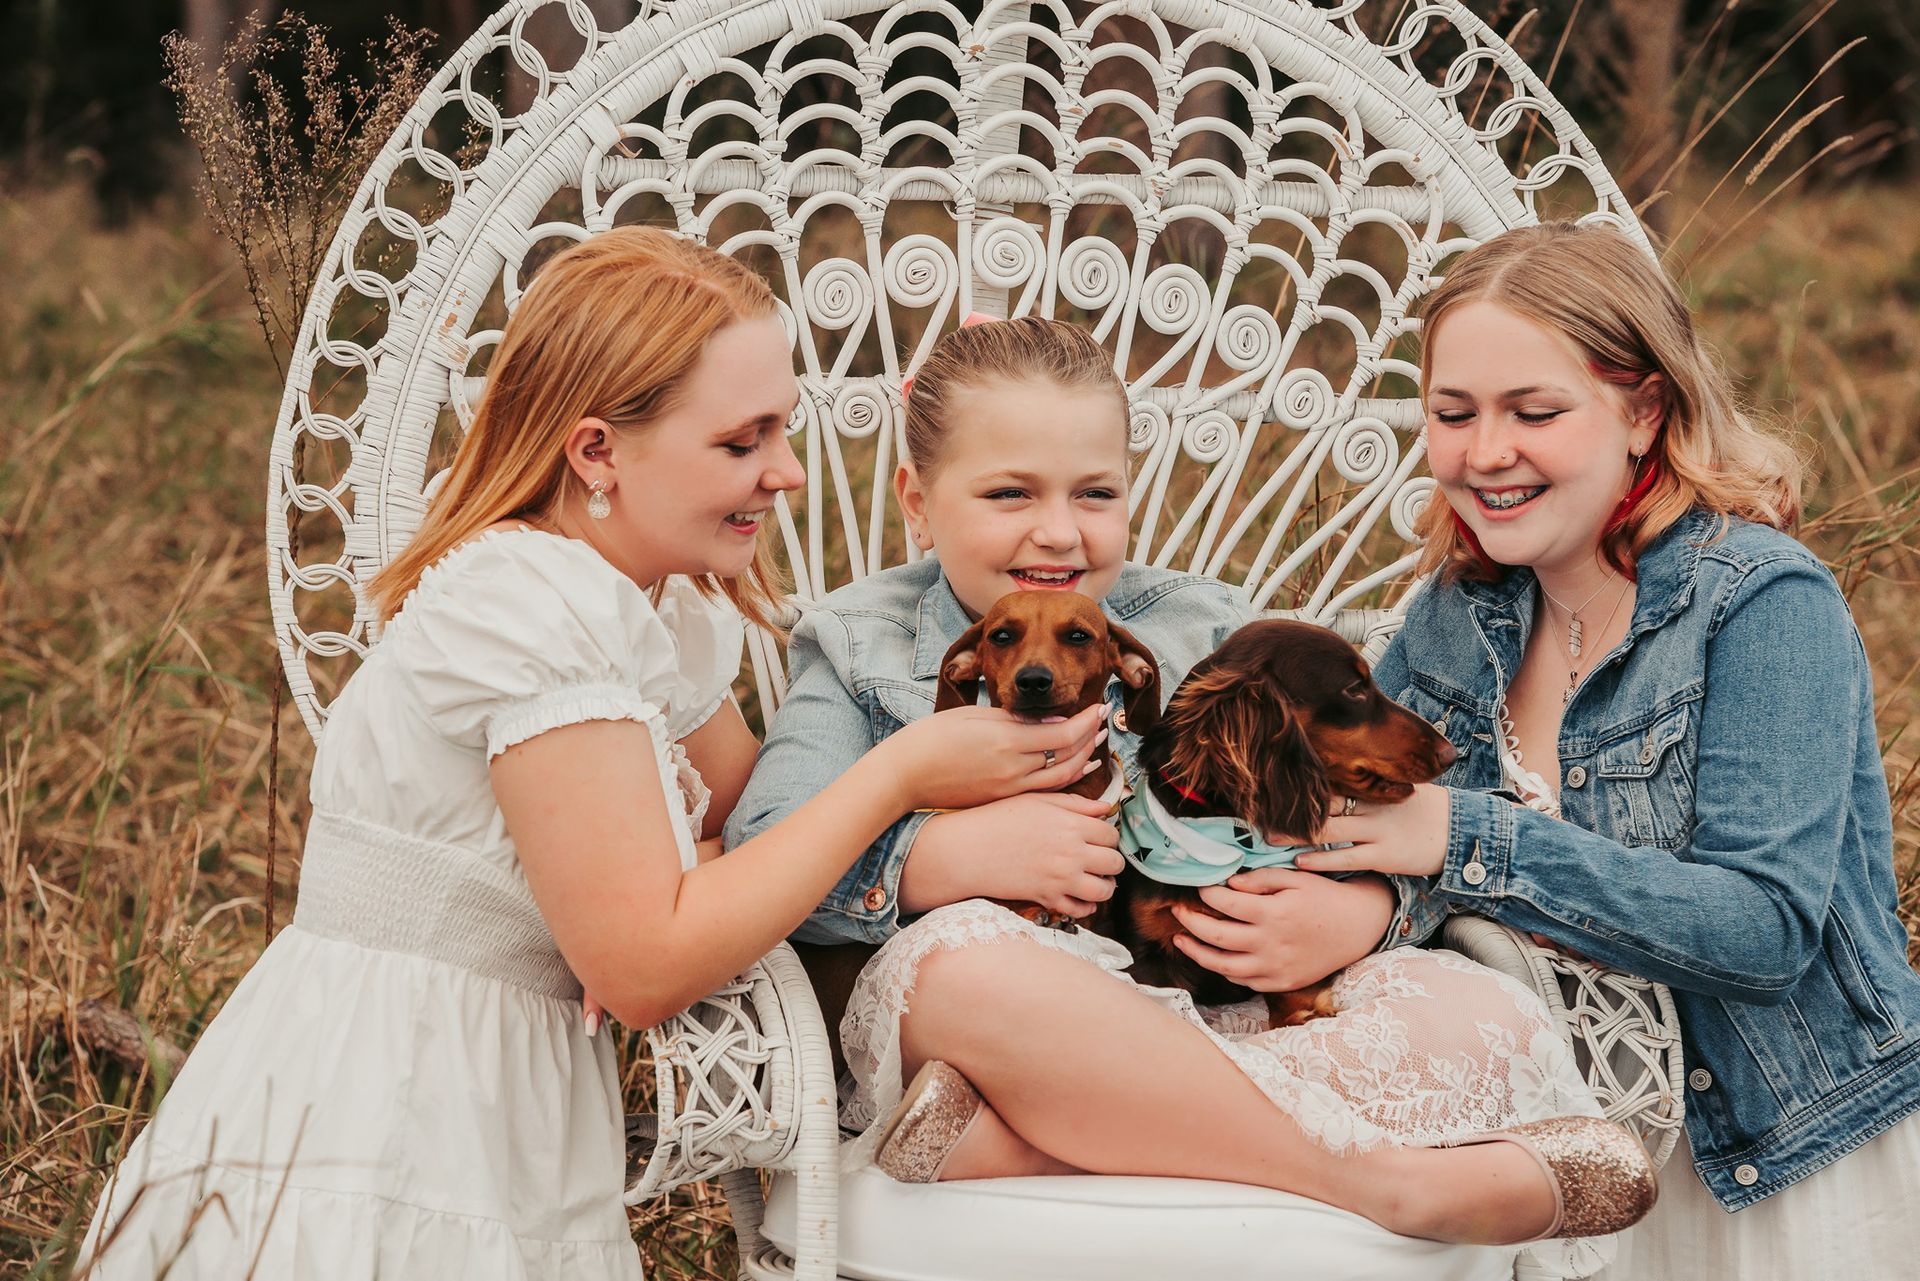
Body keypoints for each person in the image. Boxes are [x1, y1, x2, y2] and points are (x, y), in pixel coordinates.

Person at [79, 228, 1108, 1279]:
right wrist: (897, 775)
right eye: (743, 442)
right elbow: (647, 964)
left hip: (511, 1082)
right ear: (596, 451)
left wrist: (661, 893)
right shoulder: (527, 606)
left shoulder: (652, 607)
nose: (788, 474)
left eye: (784, 433)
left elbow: (747, 836)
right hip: (394, 1087)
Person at [727, 314, 1656, 1262]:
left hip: (1213, 1004)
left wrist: (1368, 913)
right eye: (1008, 492)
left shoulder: (1204, 628)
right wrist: (929, 855)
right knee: (970, 967)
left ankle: (1027, 1148)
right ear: (916, 501)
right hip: (1022, 1020)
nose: (1058, 530)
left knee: (1469, 1003)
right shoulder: (858, 643)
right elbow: (762, 849)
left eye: (1096, 492)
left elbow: (1377, 812)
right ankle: (1380, 1180)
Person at [1293, 220, 1920, 1278]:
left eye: (1534, 412)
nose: (1484, 452)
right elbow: (1381, 843)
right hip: (1558, 1157)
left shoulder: (1761, 604)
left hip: (1776, 1160)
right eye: (1453, 414)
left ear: (1643, 410)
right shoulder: (1457, 615)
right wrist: (1352, 903)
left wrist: (1467, 838)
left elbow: (1763, 931)